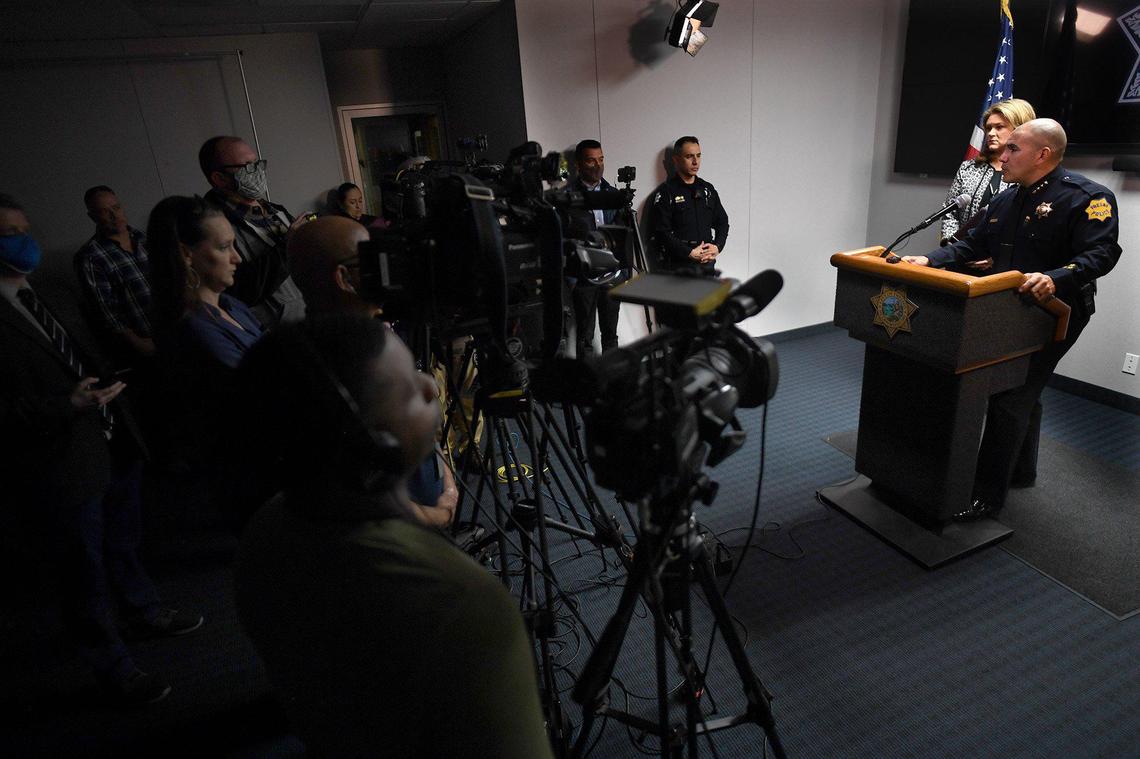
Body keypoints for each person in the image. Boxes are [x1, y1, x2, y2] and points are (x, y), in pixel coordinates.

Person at [235, 315, 554, 759]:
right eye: (408, 387)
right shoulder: (459, 600)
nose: (432, 387)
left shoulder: (264, 534)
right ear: (371, 441)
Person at [0, 193, 202, 705]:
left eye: (25, 229)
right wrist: (64, 405)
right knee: (82, 570)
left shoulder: (43, 294)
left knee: (123, 540)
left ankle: (142, 610)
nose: (26, 242)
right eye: (10, 234)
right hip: (58, 460)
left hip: (112, 437)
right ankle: (113, 665)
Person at [902, 119, 1121, 519]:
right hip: (1008, 309)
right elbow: (971, 244)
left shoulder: (1087, 197)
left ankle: (985, 497)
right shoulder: (1006, 200)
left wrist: (1054, 279)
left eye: (1013, 149)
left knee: (1010, 395)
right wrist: (929, 260)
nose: (1001, 155)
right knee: (1023, 388)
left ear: (1043, 154)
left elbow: (1101, 255)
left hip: (1058, 311)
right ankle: (1021, 470)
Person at [287, 215, 458, 527]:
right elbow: (358, 497)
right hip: (403, 535)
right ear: (344, 278)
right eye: (368, 258)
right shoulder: (324, 370)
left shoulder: (380, 333)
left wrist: (447, 483)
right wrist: (439, 515)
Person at [146, 195, 263, 493]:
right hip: (246, 470)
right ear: (186, 254)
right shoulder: (193, 328)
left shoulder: (231, 305)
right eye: (224, 247)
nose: (237, 257)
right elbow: (264, 388)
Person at [198, 135, 305, 328]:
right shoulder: (214, 225)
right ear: (219, 178)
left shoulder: (275, 211)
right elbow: (241, 290)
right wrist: (287, 245)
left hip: (306, 320)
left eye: (257, 163)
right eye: (247, 166)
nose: (257, 171)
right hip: (272, 336)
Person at [940, 98, 1036, 262]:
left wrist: (994, 256)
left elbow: (1029, 225)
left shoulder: (1029, 174)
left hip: (1002, 266)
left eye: (999, 127)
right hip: (960, 257)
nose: (991, 133)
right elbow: (950, 212)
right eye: (989, 128)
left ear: (1019, 129)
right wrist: (953, 247)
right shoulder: (968, 168)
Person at [74, 185, 156, 362]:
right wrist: (137, 343)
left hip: (179, 329)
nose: (114, 215)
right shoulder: (91, 257)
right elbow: (106, 310)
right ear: (93, 216)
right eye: (104, 211)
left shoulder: (145, 239)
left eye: (116, 208)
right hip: (147, 341)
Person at [569, 139, 622, 356]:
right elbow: (563, 238)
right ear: (579, 164)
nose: (598, 165)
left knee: (611, 334)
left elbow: (623, 231)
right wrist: (571, 281)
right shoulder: (568, 196)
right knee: (585, 337)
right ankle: (587, 386)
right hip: (584, 276)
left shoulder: (613, 192)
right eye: (591, 161)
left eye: (601, 159)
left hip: (612, 273)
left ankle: (613, 382)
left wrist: (623, 272)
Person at [650, 135, 729, 275]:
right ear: (676, 160)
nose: (695, 162)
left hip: (706, 265)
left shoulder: (707, 189)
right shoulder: (667, 192)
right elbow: (661, 232)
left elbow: (722, 222)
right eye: (689, 156)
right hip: (678, 266)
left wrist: (717, 247)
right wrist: (689, 252)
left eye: (698, 156)